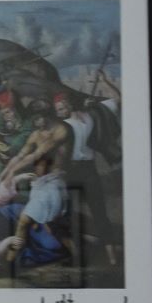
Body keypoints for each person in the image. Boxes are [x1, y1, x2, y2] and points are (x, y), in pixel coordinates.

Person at [54, 90, 120, 264]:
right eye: (57, 110)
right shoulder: (93, 115)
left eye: (60, 109)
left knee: (67, 212)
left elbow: (59, 154)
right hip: (90, 169)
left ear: (69, 106)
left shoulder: (64, 126)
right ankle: (112, 256)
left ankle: (74, 253)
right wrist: (102, 87)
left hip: (71, 170)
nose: (58, 113)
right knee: (99, 212)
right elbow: (116, 99)